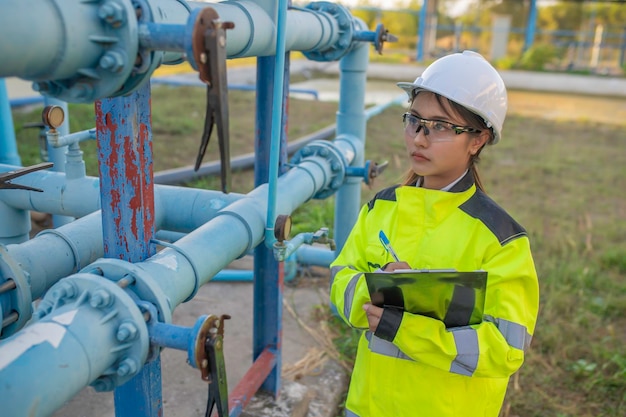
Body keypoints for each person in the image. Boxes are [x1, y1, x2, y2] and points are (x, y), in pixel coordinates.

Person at [329, 50, 539, 417]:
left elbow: (506, 347)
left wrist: (404, 328)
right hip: (367, 406)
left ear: (477, 140)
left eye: (441, 126)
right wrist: (375, 285)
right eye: (414, 120)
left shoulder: (500, 239)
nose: (419, 139)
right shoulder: (383, 208)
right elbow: (340, 284)